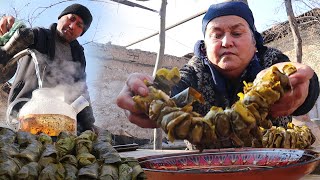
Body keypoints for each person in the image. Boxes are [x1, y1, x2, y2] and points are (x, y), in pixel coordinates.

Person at [116, 2, 319, 134]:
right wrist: (144, 98)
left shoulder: (272, 62)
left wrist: (305, 86)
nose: (226, 42)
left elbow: (301, 84)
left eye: (237, 33)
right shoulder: (193, 74)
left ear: (254, 42)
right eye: (216, 34)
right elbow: (169, 93)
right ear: (204, 45)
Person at [0, 3, 96, 134]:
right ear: (60, 17)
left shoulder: (78, 54)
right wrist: (8, 28)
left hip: (61, 121)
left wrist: (89, 123)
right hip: (25, 114)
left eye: (79, 25)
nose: (72, 26)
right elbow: (7, 49)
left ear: (81, 33)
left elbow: (81, 90)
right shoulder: (37, 35)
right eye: (71, 18)